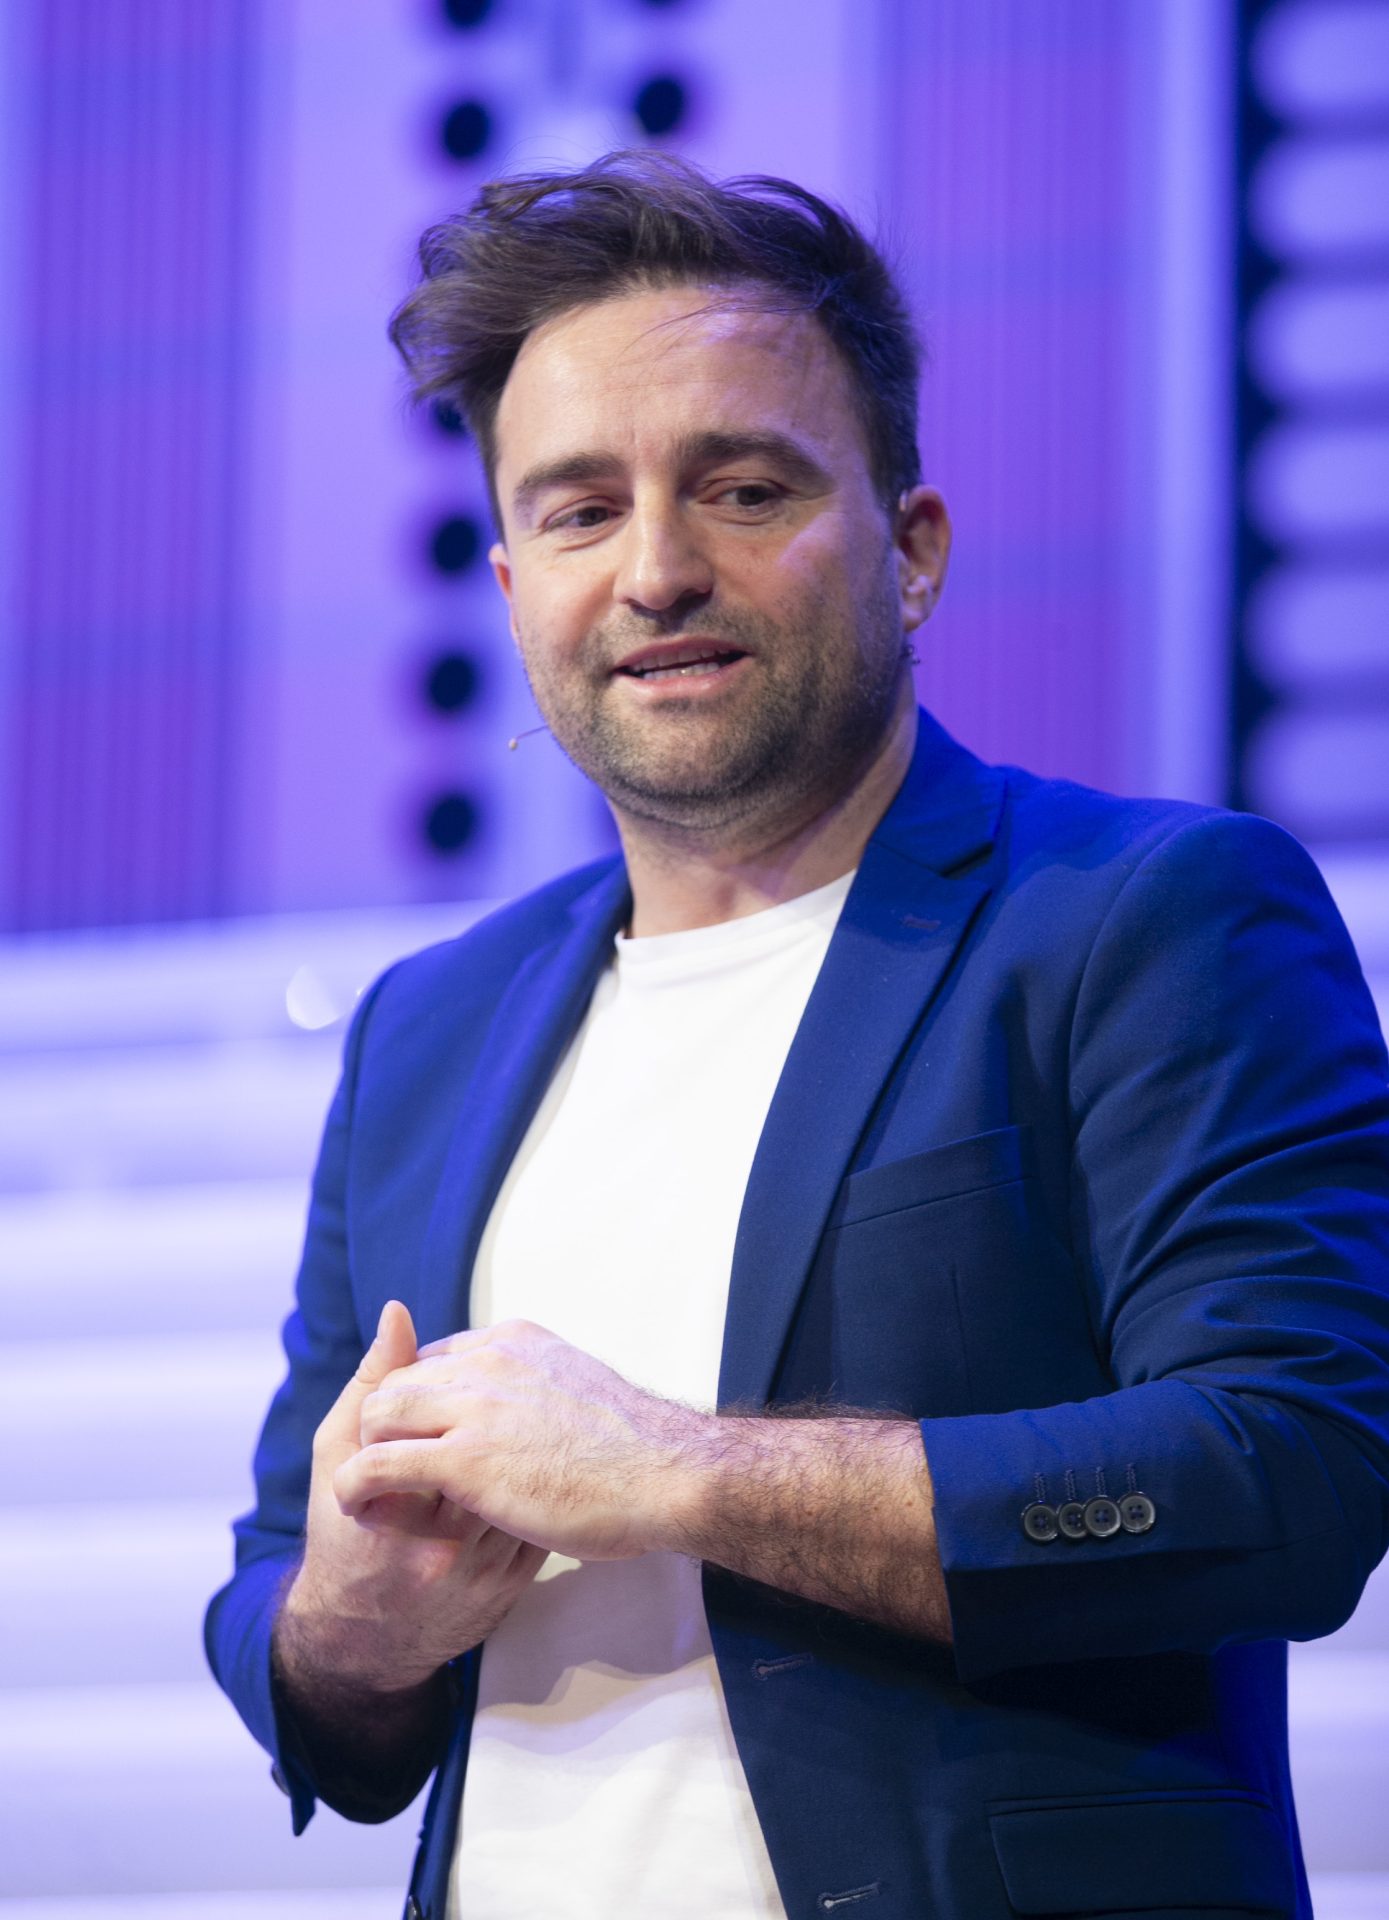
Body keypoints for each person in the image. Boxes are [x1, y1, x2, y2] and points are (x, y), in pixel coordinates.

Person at [206, 151, 1389, 1920]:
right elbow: (277, 1600)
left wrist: (674, 1473)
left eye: (743, 490)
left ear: (910, 551)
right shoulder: (425, 1031)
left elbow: (1294, 1470)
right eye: (579, 512)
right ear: (511, 582)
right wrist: (350, 1625)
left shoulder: (1148, 913)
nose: (657, 570)